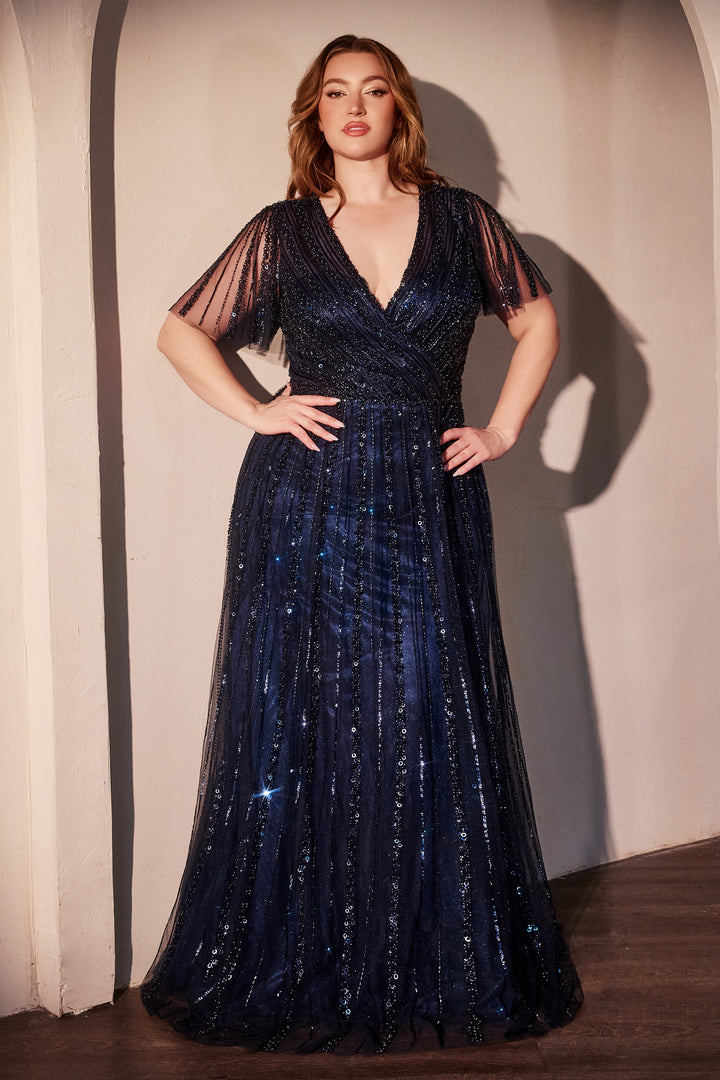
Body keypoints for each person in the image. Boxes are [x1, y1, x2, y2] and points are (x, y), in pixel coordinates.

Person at [140, 33, 584, 1054]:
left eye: (373, 90)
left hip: (428, 497)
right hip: (310, 502)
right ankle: (317, 953)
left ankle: (430, 956)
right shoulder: (284, 231)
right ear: (315, 113)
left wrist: (504, 430)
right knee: (314, 715)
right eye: (335, 91)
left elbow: (539, 323)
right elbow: (179, 331)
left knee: (429, 707)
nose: (353, 106)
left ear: (398, 109)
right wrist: (259, 412)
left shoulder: (464, 221)